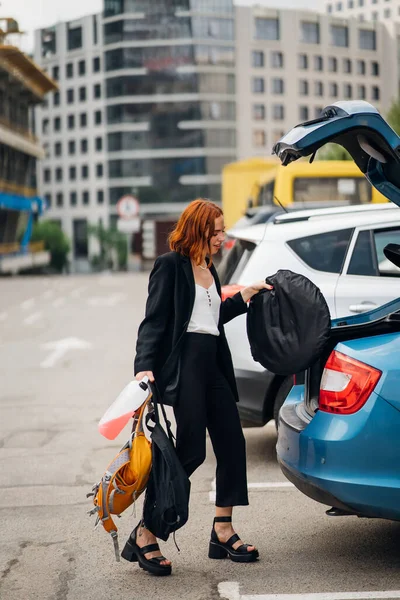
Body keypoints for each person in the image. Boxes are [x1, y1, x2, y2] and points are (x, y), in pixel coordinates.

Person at [122, 199, 272, 576]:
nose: (222, 237)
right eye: (216, 231)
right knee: (188, 453)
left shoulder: (209, 267)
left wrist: (245, 296)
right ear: (197, 230)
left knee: (232, 444)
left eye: (222, 231)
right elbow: (153, 321)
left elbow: (212, 318)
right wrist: (144, 367)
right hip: (186, 364)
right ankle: (146, 532)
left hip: (213, 365)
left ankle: (222, 529)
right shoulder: (170, 265)